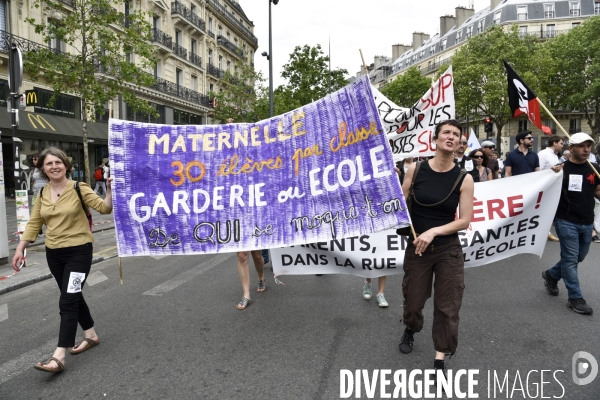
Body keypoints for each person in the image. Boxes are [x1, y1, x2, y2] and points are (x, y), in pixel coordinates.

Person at [12, 147, 113, 373]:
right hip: (54, 254)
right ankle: (91, 335)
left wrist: (108, 190)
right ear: (43, 169)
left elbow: (104, 209)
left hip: (79, 252)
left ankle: (59, 356)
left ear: (66, 166)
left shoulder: (79, 187)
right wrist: (20, 249)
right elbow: (34, 223)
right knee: (73, 296)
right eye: (49, 164)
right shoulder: (41, 194)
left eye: (58, 162)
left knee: (67, 301)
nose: (54, 166)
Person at [399, 120, 474, 376]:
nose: (451, 137)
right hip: (417, 249)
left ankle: (440, 358)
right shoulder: (415, 170)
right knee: (413, 301)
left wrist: (433, 231)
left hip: (448, 250)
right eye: (446, 133)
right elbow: (400, 202)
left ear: (459, 142)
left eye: (456, 134)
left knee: (448, 306)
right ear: (436, 138)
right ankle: (410, 328)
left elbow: (464, 221)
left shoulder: (464, 178)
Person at [542, 133, 600, 315]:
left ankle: (551, 275)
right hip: (566, 221)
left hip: (587, 222)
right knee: (570, 259)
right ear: (571, 148)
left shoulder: (594, 168)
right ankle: (575, 297)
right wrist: (552, 174)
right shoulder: (561, 169)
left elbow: (597, 191)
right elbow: (546, 192)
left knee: (578, 257)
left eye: (588, 146)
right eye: (582, 146)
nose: (586, 149)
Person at [538, 135, 565, 242]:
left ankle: (546, 232)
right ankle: (543, 232)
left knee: (550, 210)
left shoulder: (556, 156)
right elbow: (538, 171)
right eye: (561, 143)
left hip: (553, 187)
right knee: (543, 210)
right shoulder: (543, 154)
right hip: (544, 188)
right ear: (555, 143)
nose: (563, 146)